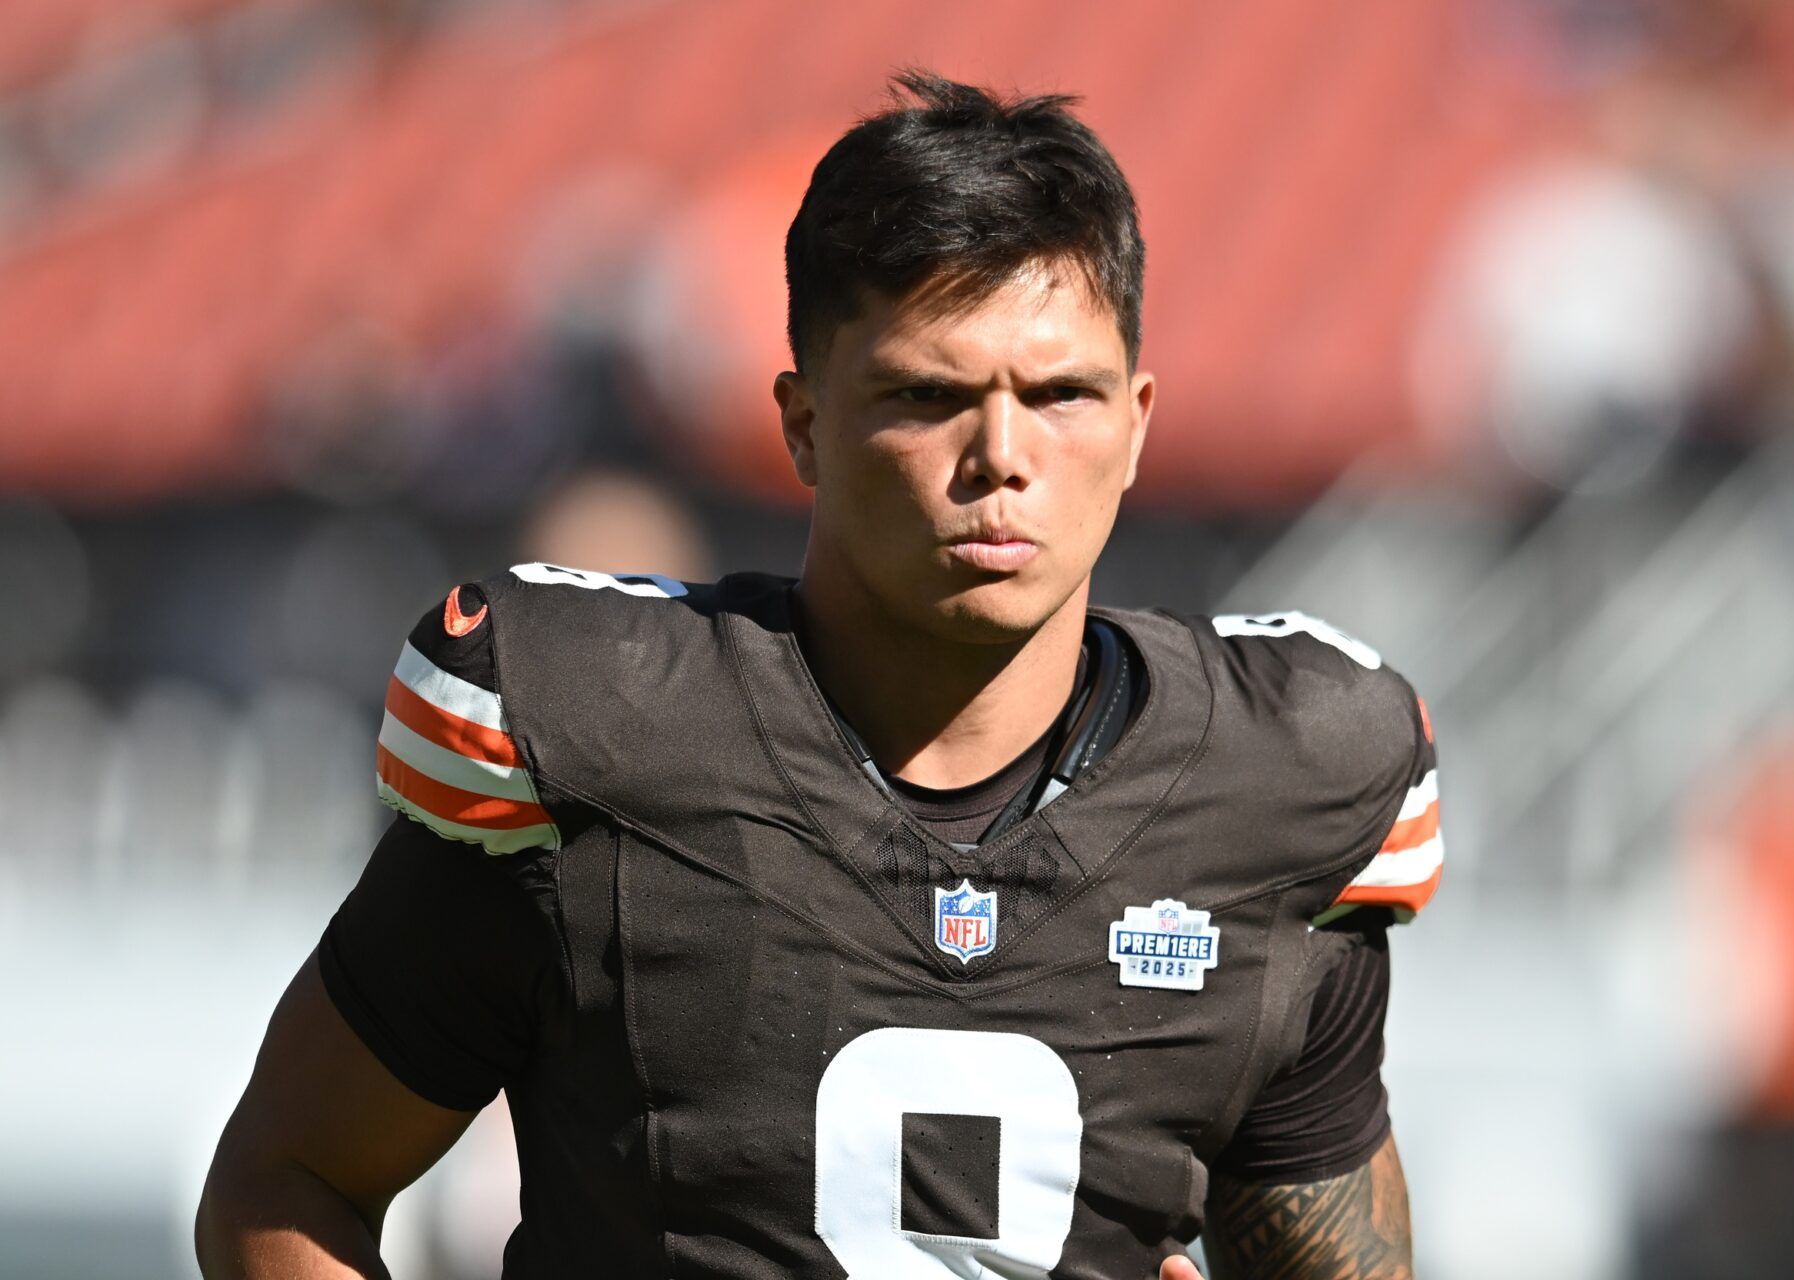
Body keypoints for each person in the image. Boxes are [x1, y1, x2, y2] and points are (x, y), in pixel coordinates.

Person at [196, 72, 1441, 1280]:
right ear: (802, 421)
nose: (1001, 455)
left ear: (1138, 421)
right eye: (928, 395)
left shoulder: (1281, 779)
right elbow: (284, 1183)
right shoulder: (609, 741)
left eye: (1060, 393)